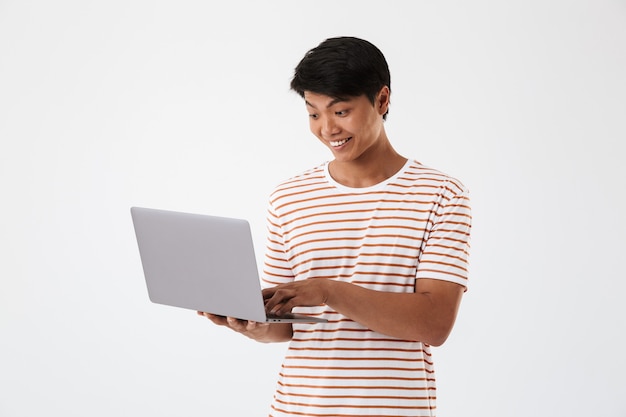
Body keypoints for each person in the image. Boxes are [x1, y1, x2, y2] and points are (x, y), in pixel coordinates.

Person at [199, 36, 471, 417]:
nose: (326, 128)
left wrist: (328, 291)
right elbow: (286, 325)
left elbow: (434, 323)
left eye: (340, 111)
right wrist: (250, 324)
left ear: (382, 100)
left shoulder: (441, 195)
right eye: (313, 114)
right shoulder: (289, 197)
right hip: (296, 409)